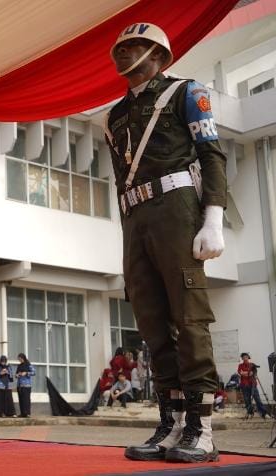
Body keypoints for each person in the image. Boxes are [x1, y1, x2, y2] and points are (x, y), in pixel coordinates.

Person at [105, 23, 227, 464]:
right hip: (136, 217)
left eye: (135, 46)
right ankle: (171, 424)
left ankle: (201, 429)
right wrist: (128, 234)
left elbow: (211, 155)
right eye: (120, 48)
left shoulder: (186, 93)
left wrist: (213, 219)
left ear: (158, 54)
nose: (122, 53)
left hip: (177, 209)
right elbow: (121, 179)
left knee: (189, 317)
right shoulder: (114, 115)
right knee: (152, 322)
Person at [238, 353, 269, 419]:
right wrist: (247, 373)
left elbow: (253, 373)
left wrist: (246, 373)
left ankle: (263, 413)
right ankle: (250, 413)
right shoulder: (240, 365)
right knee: (247, 400)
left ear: (248, 357)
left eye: (246, 357)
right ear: (242, 358)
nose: (245, 358)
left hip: (253, 384)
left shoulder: (252, 365)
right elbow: (240, 372)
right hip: (244, 385)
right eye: (243, 357)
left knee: (257, 399)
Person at [15, 353, 36, 417]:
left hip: (27, 385)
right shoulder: (19, 366)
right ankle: (22, 413)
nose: (19, 360)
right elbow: (16, 374)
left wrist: (26, 373)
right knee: (21, 399)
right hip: (19, 385)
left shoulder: (29, 365)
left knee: (26, 399)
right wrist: (17, 375)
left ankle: (27, 413)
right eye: (18, 359)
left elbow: (34, 372)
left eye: (20, 359)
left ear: (23, 358)